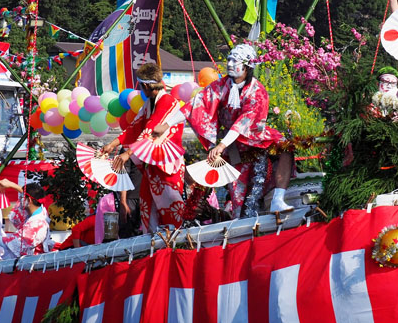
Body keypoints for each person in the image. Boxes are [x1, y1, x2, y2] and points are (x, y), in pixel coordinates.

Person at [182, 43, 294, 216]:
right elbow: (195, 104)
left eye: (235, 61)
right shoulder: (221, 85)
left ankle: (278, 198)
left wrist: (221, 145)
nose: (230, 64)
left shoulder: (258, 91)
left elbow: (244, 123)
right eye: (229, 59)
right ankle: (236, 220)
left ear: (247, 66)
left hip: (255, 140)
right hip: (234, 150)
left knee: (286, 147)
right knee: (238, 198)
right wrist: (165, 125)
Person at [101, 63, 186, 232]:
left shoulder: (167, 101)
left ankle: (173, 243)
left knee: (170, 204)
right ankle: (152, 244)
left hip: (168, 165)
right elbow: (134, 128)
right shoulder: (148, 104)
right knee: (148, 205)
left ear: (146, 86)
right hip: (153, 164)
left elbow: (150, 131)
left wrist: (128, 153)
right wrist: (112, 144)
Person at [0, 181, 49, 258]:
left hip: (31, 264)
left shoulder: (35, 224)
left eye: (21, 198)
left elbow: (8, 243)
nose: (19, 200)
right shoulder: (41, 211)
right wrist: (10, 184)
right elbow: (29, 197)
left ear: (29, 200)